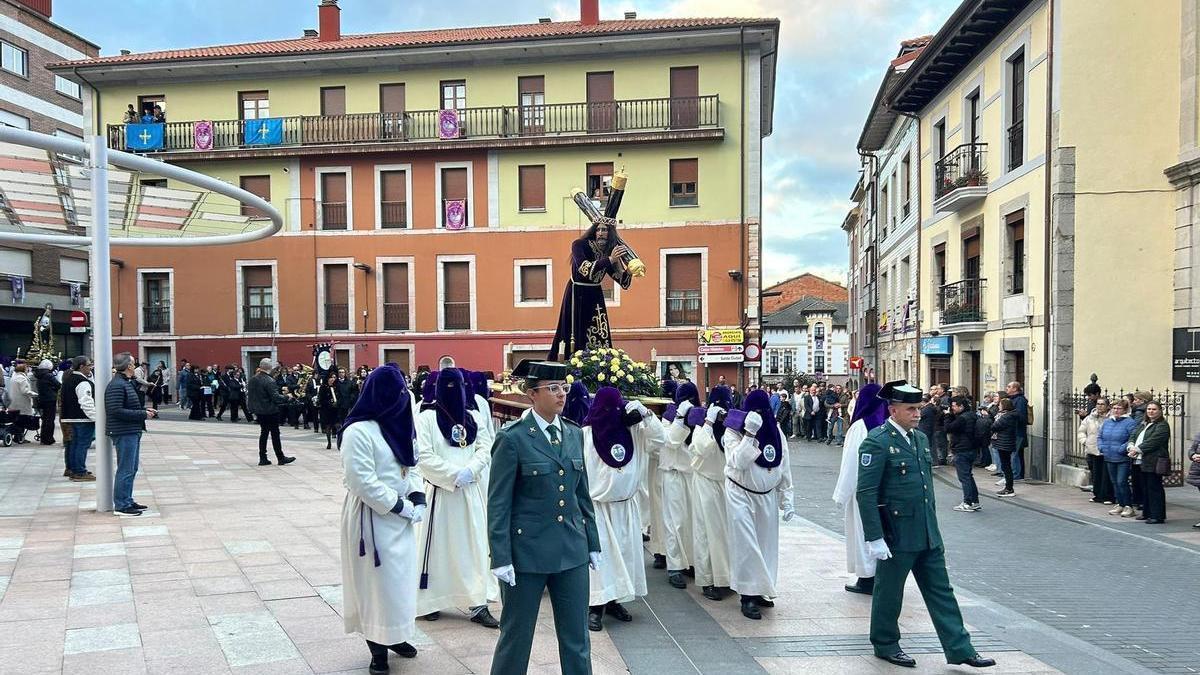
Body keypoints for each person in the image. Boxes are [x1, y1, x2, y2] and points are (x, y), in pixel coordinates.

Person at [856, 380, 996, 669]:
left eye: (918, 408)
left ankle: (960, 648)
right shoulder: (877, 441)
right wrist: (874, 537)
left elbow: (924, 488)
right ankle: (885, 643)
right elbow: (866, 493)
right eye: (911, 409)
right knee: (889, 592)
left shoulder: (919, 439)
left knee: (942, 591)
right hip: (896, 533)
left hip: (927, 531)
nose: (917, 414)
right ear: (893, 410)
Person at [487, 360, 601, 675]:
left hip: (572, 550)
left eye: (564, 387)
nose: (562, 394)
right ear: (532, 393)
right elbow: (498, 503)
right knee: (516, 636)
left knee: (577, 639)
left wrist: (592, 541)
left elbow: (582, 494)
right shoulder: (512, 438)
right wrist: (500, 556)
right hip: (527, 555)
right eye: (553, 388)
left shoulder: (574, 434)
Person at [338, 365, 425, 674]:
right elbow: (361, 481)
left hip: (401, 518)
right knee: (377, 585)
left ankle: (396, 634)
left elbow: (412, 463)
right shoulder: (358, 431)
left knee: (400, 583)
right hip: (372, 518)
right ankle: (377, 648)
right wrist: (399, 506)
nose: (402, 399)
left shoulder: (400, 423)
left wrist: (418, 496)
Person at [413, 369, 499, 628]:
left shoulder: (473, 417)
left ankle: (477, 603)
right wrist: (453, 475)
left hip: (469, 493)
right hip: (441, 494)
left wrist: (470, 470)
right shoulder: (426, 419)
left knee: (473, 547)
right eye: (448, 385)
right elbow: (423, 455)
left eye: (458, 385)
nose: (454, 391)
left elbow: (485, 447)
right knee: (438, 549)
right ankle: (431, 601)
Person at [584, 386, 665, 630]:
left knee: (625, 556)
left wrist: (647, 414)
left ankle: (615, 600)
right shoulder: (586, 433)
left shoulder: (634, 430)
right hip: (600, 507)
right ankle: (596, 606)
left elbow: (660, 440)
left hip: (627, 506)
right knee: (602, 559)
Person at [721, 389, 794, 620]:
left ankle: (761, 588)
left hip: (767, 496)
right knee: (746, 544)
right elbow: (737, 462)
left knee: (765, 545)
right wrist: (750, 434)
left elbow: (784, 463)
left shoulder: (776, 431)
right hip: (741, 494)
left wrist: (787, 497)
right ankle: (747, 595)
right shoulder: (733, 430)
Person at [547, 218, 633, 360]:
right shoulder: (579, 245)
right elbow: (584, 268)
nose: (600, 233)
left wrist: (629, 271)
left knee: (599, 330)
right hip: (577, 294)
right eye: (598, 229)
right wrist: (610, 259)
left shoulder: (608, 252)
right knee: (573, 332)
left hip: (595, 295)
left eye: (604, 230)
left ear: (610, 233)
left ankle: (601, 362)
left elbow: (622, 282)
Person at [833, 383, 889, 595]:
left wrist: (841, 494)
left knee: (863, 532)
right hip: (886, 490)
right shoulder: (889, 424)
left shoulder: (860, 427)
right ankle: (884, 575)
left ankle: (867, 578)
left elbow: (851, 462)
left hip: (864, 489)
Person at [688, 385, 734, 602]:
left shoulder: (731, 425)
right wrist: (708, 422)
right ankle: (707, 580)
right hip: (705, 482)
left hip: (725, 484)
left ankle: (725, 577)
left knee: (725, 534)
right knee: (706, 533)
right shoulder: (703, 425)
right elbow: (699, 448)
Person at [660, 382, 700, 590]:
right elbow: (671, 441)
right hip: (673, 473)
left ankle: (690, 562)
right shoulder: (669, 417)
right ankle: (674, 566)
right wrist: (680, 417)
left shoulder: (699, 416)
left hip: (692, 475)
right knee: (675, 522)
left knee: (693, 522)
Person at [106, 352, 157, 516]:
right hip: (124, 431)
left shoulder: (125, 383)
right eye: (133, 363)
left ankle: (127, 499)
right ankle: (122, 505)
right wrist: (142, 414)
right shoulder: (117, 385)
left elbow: (128, 406)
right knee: (126, 469)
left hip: (131, 430)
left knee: (131, 468)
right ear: (128, 366)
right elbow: (115, 410)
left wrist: (144, 410)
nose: (135, 366)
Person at [1128, 400, 1170, 524]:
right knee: (1144, 487)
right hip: (1140, 460)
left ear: (1160, 411)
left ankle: (1157, 515)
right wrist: (1131, 445)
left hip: (1154, 460)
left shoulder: (1162, 425)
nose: (1151, 411)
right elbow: (1133, 435)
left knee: (1154, 488)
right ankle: (1147, 513)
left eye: (1154, 409)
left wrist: (1137, 449)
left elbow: (1153, 441)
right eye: (1149, 409)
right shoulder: (1144, 423)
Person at [246, 359, 295, 466]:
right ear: (269, 367)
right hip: (270, 411)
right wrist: (287, 397)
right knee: (275, 434)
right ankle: (280, 457)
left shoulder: (253, 379)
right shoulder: (269, 380)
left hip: (259, 411)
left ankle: (263, 457)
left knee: (264, 433)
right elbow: (276, 397)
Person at [1099, 399, 1138, 518]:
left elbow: (1133, 437)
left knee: (1121, 481)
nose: (1116, 410)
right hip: (1109, 456)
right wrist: (1101, 447)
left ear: (1125, 410)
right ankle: (1120, 503)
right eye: (1114, 408)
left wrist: (1123, 448)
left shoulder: (1130, 422)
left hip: (1122, 457)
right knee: (1114, 482)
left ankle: (1128, 506)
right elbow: (1100, 436)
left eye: (1119, 408)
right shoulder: (1107, 422)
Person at [942, 396, 981, 512]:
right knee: (968, 476)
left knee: (964, 477)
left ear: (961, 406)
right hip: (972, 449)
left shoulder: (962, 419)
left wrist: (947, 416)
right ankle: (974, 501)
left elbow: (948, 428)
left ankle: (967, 502)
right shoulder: (972, 415)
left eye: (954, 406)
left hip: (962, 449)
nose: (952, 408)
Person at [60, 356, 96, 481]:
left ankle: (71, 468)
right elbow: (86, 402)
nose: (91, 367)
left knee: (72, 444)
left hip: (69, 417)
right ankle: (79, 471)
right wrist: (95, 417)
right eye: (89, 365)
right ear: (81, 366)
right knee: (81, 444)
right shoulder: (82, 382)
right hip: (81, 418)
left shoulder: (68, 379)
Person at [1077, 397, 1112, 504]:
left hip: (1106, 450)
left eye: (1102, 404)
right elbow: (1081, 431)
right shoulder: (1090, 418)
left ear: (1107, 406)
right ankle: (1097, 495)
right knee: (1096, 474)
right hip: (1092, 449)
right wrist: (1085, 441)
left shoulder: (1111, 418)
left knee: (1106, 475)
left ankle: (1107, 496)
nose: (1099, 406)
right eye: (1098, 404)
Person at [990, 398, 1020, 497]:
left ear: (1004, 406)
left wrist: (990, 419)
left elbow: (994, 426)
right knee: (1006, 465)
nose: (999, 406)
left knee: (1006, 466)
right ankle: (1008, 487)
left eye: (1000, 405)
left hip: (1004, 443)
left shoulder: (1006, 417)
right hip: (1005, 442)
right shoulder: (1009, 415)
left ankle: (1009, 488)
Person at [1005, 381, 1028, 480]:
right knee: (1016, 454)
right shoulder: (1011, 399)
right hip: (1012, 431)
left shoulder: (1020, 400)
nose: (1007, 388)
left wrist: (1008, 416)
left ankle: (1016, 475)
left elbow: (1021, 416)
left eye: (1009, 386)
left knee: (1015, 454)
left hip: (1017, 432)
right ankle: (1015, 474)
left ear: (1015, 389)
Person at [9, 363, 36, 444]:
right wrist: (34, 394)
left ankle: (16, 436)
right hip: (22, 402)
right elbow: (25, 391)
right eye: (27, 368)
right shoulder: (22, 378)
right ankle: (20, 437)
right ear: (23, 370)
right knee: (22, 420)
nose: (28, 370)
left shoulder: (14, 377)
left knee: (16, 420)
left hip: (14, 402)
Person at [34, 359, 59, 445]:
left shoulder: (38, 375)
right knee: (50, 419)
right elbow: (58, 385)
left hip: (42, 399)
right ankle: (48, 439)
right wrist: (53, 389)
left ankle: (43, 437)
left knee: (45, 419)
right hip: (50, 399)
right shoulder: (49, 375)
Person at [319, 372, 341, 449]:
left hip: (336, 409)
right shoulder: (323, 387)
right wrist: (329, 403)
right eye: (331, 377)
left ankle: (339, 443)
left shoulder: (337, 386)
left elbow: (340, 396)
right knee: (328, 426)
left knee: (338, 426)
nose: (333, 379)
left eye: (334, 377)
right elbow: (321, 399)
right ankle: (329, 442)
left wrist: (337, 403)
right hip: (327, 409)